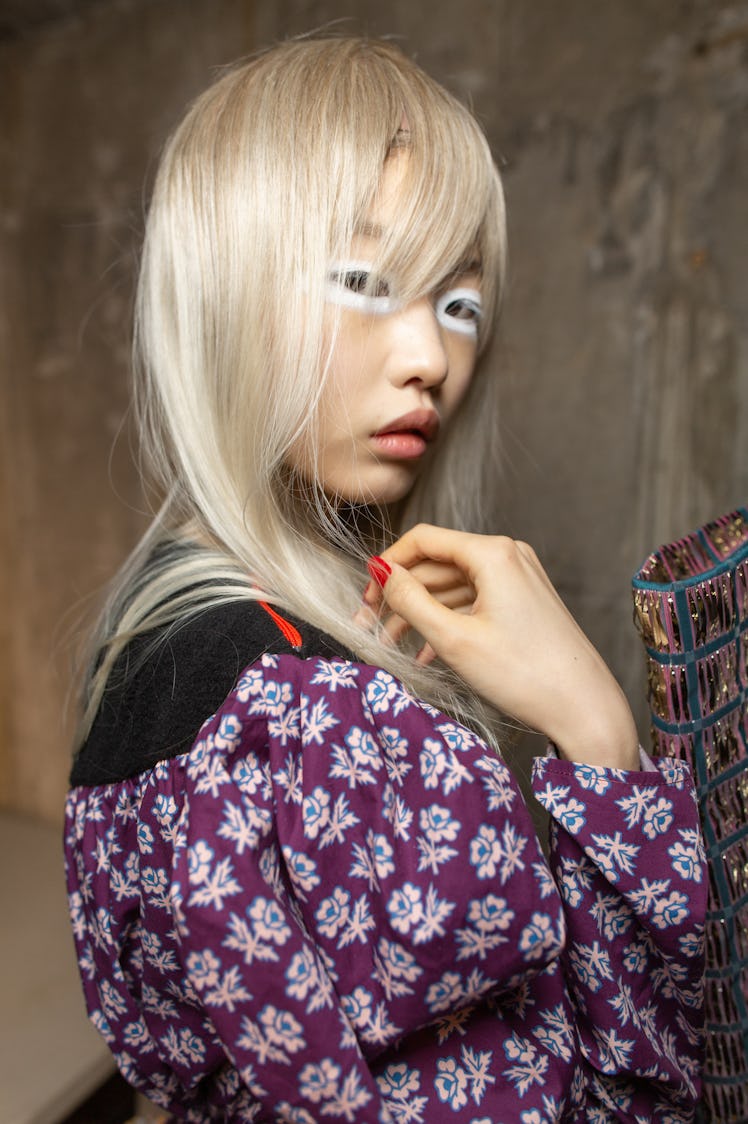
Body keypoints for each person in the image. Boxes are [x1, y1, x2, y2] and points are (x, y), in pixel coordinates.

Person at [64, 36, 706, 1122]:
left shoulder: (163, 629)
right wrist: (597, 734)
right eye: (363, 281)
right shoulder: (299, 709)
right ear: (222, 290)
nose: (430, 356)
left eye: (460, 304)